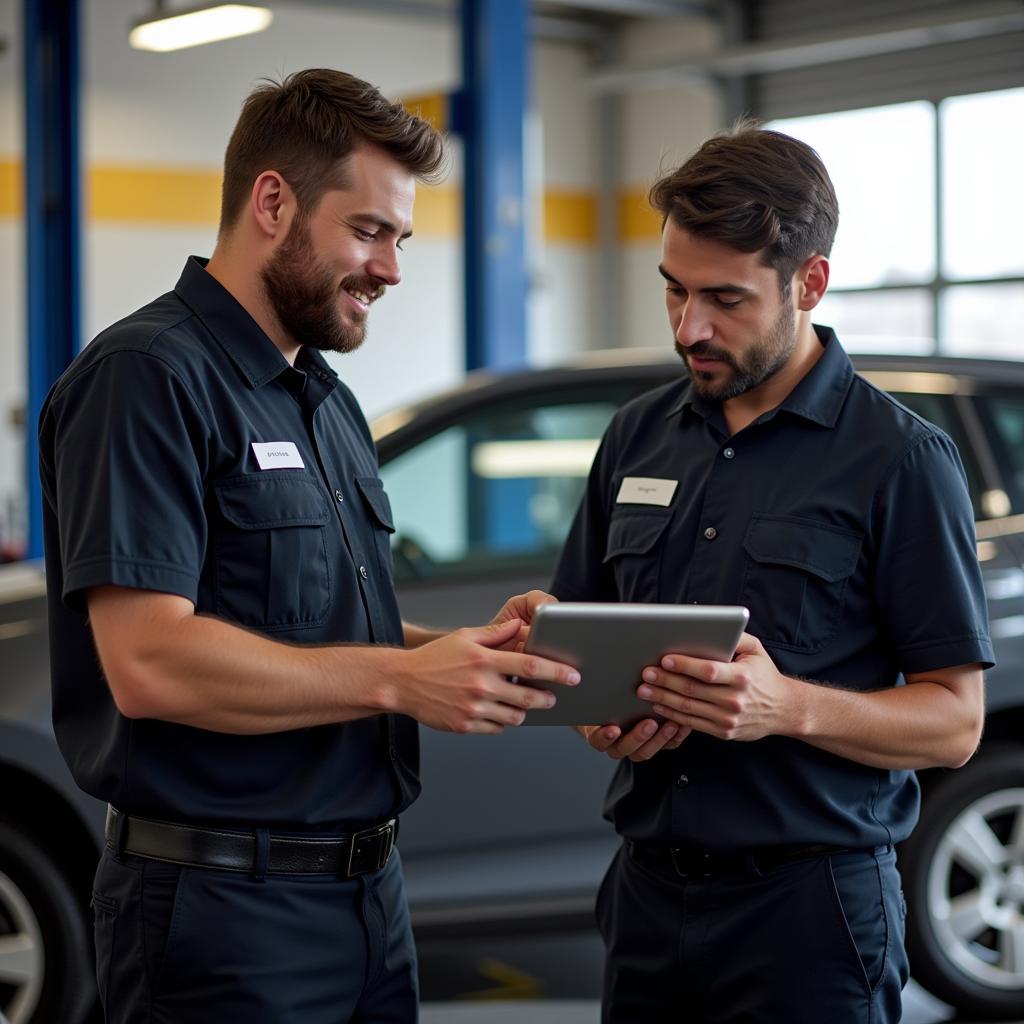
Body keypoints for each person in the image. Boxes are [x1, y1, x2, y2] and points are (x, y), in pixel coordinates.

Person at [38, 68, 578, 1024]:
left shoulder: (321, 398)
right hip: (223, 923)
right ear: (273, 202)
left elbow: (314, 625)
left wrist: (457, 655)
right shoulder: (146, 379)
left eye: (400, 239)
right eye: (369, 232)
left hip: (370, 901)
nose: (392, 269)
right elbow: (150, 663)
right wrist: (401, 683)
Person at [550, 121, 992, 1023]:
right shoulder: (636, 434)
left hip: (810, 917)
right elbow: (580, 637)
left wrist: (788, 707)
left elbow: (953, 722)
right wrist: (596, 717)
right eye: (673, 292)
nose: (689, 327)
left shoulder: (900, 460)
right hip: (645, 899)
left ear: (810, 281)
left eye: (724, 299)